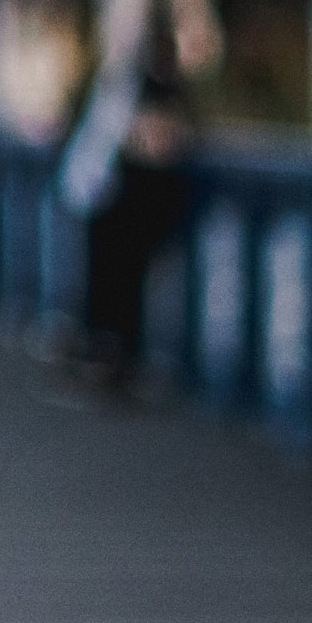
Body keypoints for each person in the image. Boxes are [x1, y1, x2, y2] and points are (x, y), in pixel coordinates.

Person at [77, 73, 193, 397]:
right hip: (124, 199)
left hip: (136, 199)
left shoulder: (145, 90)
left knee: (127, 279)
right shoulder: (127, 88)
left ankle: (117, 355)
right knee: (119, 278)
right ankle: (113, 352)